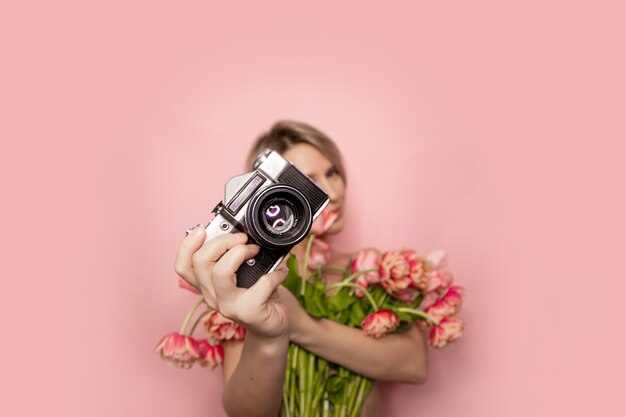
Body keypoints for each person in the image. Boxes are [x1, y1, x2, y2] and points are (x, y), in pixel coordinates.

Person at [174, 120, 429, 417]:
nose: (334, 192)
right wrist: (268, 334)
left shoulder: (368, 268)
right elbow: (244, 411)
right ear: (267, 196)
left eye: (333, 172)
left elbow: (414, 365)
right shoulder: (246, 279)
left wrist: (301, 326)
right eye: (310, 181)